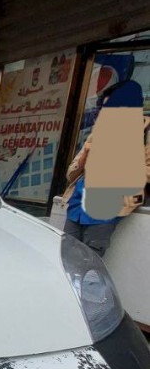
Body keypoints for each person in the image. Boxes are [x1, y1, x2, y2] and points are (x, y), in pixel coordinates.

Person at [63, 92, 150, 256]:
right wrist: (84, 158)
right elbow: (70, 175)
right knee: (65, 257)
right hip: (77, 207)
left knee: (89, 263)